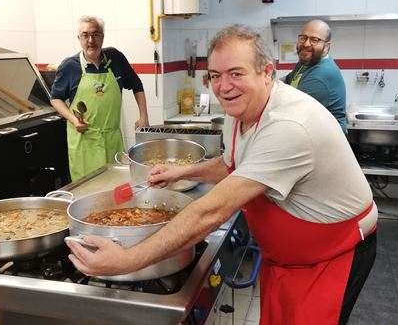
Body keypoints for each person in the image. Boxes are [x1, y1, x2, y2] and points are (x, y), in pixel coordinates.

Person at [66, 24, 377, 325]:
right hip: (288, 259)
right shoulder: (240, 110)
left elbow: (212, 211)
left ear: (266, 72)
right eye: (216, 76)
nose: (224, 86)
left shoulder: (288, 126)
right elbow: (232, 163)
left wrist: (126, 260)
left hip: (331, 258)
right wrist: (182, 172)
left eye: (236, 73)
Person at [50, 15, 149, 182]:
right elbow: (55, 99)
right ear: (79, 38)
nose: (91, 40)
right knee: (87, 190)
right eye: (85, 35)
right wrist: (74, 120)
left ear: (102, 37)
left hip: (112, 139)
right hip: (84, 143)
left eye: (95, 35)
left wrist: (143, 116)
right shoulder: (69, 66)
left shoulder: (116, 58)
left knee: (117, 187)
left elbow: (136, 84)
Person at [283, 20, 347, 133]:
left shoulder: (321, 76)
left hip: (327, 140)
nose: (306, 44)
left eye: (314, 40)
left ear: (327, 46)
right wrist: (267, 81)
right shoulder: (308, 61)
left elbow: (291, 111)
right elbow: (287, 80)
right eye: (303, 38)